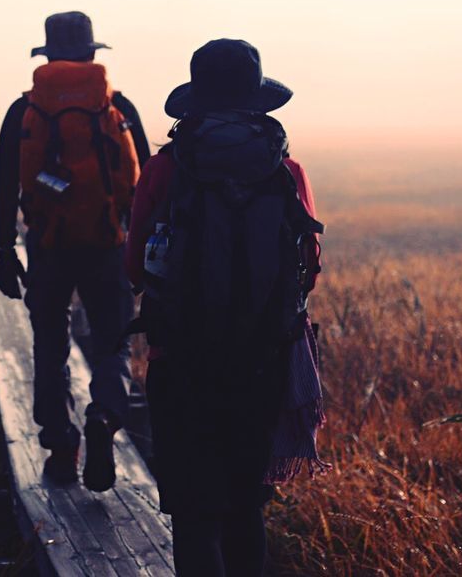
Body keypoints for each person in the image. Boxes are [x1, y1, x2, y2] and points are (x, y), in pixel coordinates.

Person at [125, 39, 327, 577]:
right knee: (245, 509)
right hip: (263, 363)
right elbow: (309, 264)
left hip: (180, 361)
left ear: (195, 101)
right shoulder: (288, 171)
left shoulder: (166, 168)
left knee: (194, 514)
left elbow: (134, 267)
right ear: (257, 100)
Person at [0, 11, 150, 490]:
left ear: (47, 54)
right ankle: (103, 414)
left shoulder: (24, 113)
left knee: (50, 344)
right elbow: (145, 188)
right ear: (90, 54)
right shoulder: (117, 108)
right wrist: (143, 255)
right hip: (108, 245)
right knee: (114, 342)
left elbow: (5, 187)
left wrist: (5, 250)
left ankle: (62, 446)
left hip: (48, 245)